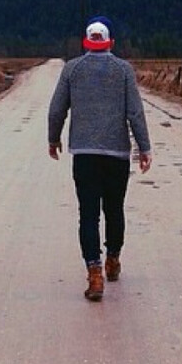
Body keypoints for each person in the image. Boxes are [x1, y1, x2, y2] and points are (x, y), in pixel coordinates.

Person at [47, 15, 152, 301]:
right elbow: (135, 113)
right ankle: (113, 259)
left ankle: (94, 273)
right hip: (116, 154)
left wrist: (53, 138)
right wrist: (144, 147)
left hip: (84, 154)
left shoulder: (72, 69)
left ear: (85, 41)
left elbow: (57, 109)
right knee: (114, 209)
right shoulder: (124, 70)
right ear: (111, 42)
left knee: (88, 214)